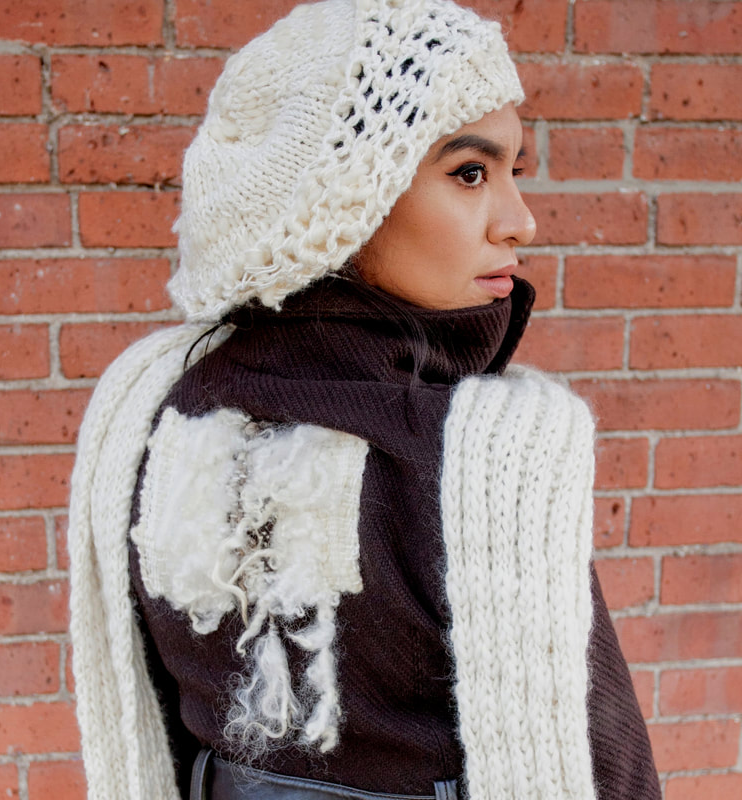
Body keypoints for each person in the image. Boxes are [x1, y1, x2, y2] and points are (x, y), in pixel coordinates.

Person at [67, 1, 661, 799]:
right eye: (470, 173)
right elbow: (606, 771)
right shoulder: (475, 458)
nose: (520, 221)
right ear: (348, 197)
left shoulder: (152, 412)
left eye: (514, 172)